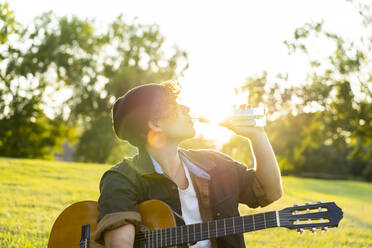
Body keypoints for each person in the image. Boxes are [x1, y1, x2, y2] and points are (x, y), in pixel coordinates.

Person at [94, 80, 283, 248]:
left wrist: (257, 135)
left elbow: (271, 191)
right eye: (175, 105)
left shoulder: (215, 163)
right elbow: (119, 244)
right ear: (156, 124)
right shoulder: (121, 179)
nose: (187, 109)